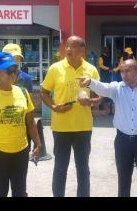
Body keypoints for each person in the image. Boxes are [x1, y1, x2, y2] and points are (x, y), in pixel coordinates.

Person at [78, 59, 137, 197]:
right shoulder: (117, 89)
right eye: (122, 71)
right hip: (123, 141)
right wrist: (90, 82)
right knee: (123, 181)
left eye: (128, 71)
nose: (124, 74)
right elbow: (103, 88)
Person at [0, 52, 41, 197]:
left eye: (15, 70)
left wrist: (37, 143)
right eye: (8, 71)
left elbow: (30, 121)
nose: (13, 74)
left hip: (21, 151)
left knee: (20, 192)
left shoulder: (23, 93)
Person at [40, 36, 100, 197]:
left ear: (82, 50)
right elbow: (44, 92)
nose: (67, 49)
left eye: (72, 46)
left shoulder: (91, 70)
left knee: (83, 169)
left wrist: (91, 101)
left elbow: (100, 95)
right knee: (60, 168)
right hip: (61, 128)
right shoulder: (55, 68)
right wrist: (53, 106)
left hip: (83, 127)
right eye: (66, 46)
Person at [98, 46, 114, 113]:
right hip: (104, 75)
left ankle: (107, 101)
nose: (108, 50)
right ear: (104, 50)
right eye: (106, 49)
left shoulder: (108, 56)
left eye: (108, 49)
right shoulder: (101, 57)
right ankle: (101, 104)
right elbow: (100, 65)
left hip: (108, 75)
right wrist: (108, 68)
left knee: (108, 87)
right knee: (103, 88)